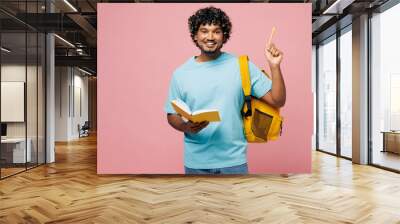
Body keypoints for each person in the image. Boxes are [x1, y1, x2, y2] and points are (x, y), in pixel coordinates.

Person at [164, 6, 286, 174]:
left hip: (234, 161)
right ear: (195, 36)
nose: (210, 37)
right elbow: (171, 115)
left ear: (224, 36)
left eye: (216, 31)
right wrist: (185, 126)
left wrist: (274, 66)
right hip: (195, 162)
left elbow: (278, 100)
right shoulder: (180, 74)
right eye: (204, 31)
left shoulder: (242, 66)